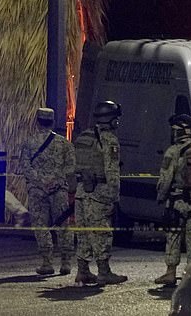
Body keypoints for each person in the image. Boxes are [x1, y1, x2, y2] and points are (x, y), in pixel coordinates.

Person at [73, 100, 127, 286]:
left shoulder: (84, 136)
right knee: (101, 232)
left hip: (82, 192)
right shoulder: (110, 140)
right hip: (100, 193)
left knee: (84, 232)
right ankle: (104, 272)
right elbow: (112, 170)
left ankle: (83, 271)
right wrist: (115, 196)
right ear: (113, 120)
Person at [154, 114, 191, 286]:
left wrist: (160, 197)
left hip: (177, 200)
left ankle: (170, 273)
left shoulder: (173, 151)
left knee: (174, 236)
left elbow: (166, 178)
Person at [20, 107, 76, 275]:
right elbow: (71, 166)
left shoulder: (29, 143)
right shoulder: (64, 143)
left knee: (41, 226)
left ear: (37, 121)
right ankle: (65, 262)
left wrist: (41, 181)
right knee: (63, 225)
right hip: (58, 191)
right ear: (52, 121)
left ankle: (47, 262)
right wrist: (56, 180)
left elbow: (25, 166)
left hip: (37, 191)